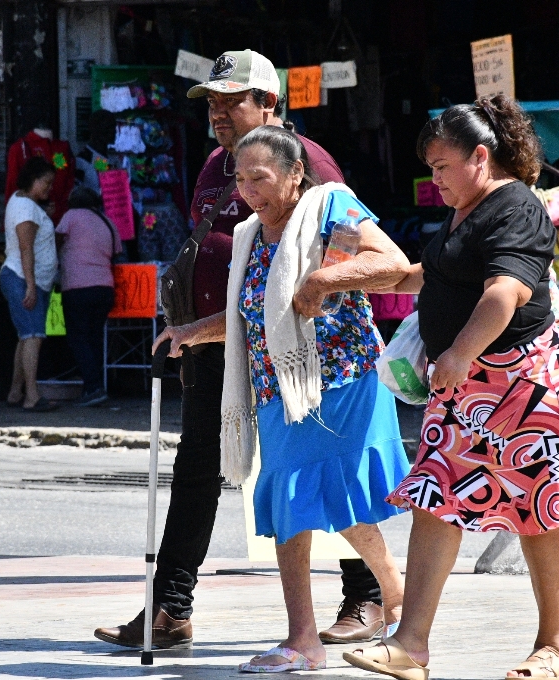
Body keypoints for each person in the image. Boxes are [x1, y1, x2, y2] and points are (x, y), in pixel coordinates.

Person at [94, 50, 389, 652]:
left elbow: (357, 251)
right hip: (221, 343)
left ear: (269, 104)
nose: (220, 114)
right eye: (213, 103)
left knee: (323, 471)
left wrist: (318, 290)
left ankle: (369, 596)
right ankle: (169, 608)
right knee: (198, 472)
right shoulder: (213, 165)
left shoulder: (310, 165)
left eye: (234, 102)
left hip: (304, 356)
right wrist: (198, 326)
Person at [343, 96, 559, 680]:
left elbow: (503, 292)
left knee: (541, 505)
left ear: (480, 157)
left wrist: (460, 352)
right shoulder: (466, 210)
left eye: (441, 166)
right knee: (435, 498)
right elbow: (433, 273)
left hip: (527, 380)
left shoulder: (514, 207)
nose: (433, 179)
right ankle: (410, 644)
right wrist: (351, 276)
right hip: (466, 383)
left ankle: (557, 648)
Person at [169, 125, 411, 672]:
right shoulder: (253, 234)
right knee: (289, 506)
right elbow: (248, 312)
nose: (249, 191)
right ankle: (308, 637)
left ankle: (390, 603)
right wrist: (192, 332)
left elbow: (392, 264)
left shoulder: (331, 209)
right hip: (278, 390)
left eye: (261, 178)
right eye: (240, 179)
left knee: (340, 500)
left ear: (296, 172)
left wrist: (321, 282)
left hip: (344, 381)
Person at [0, 157, 60, 412]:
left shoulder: (25, 203)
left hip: (28, 279)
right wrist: (31, 286)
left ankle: (16, 392)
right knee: (33, 336)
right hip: (23, 278)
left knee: (26, 337)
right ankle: (32, 396)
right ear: (33, 180)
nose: (49, 189)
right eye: (46, 183)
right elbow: (26, 249)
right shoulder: (26, 209)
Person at [56, 187, 122, 407]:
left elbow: (55, 242)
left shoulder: (70, 216)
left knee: (79, 338)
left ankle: (93, 387)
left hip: (77, 286)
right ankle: (95, 387)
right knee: (94, 339)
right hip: (105, 288)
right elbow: (117, 252)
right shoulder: (108, 222)